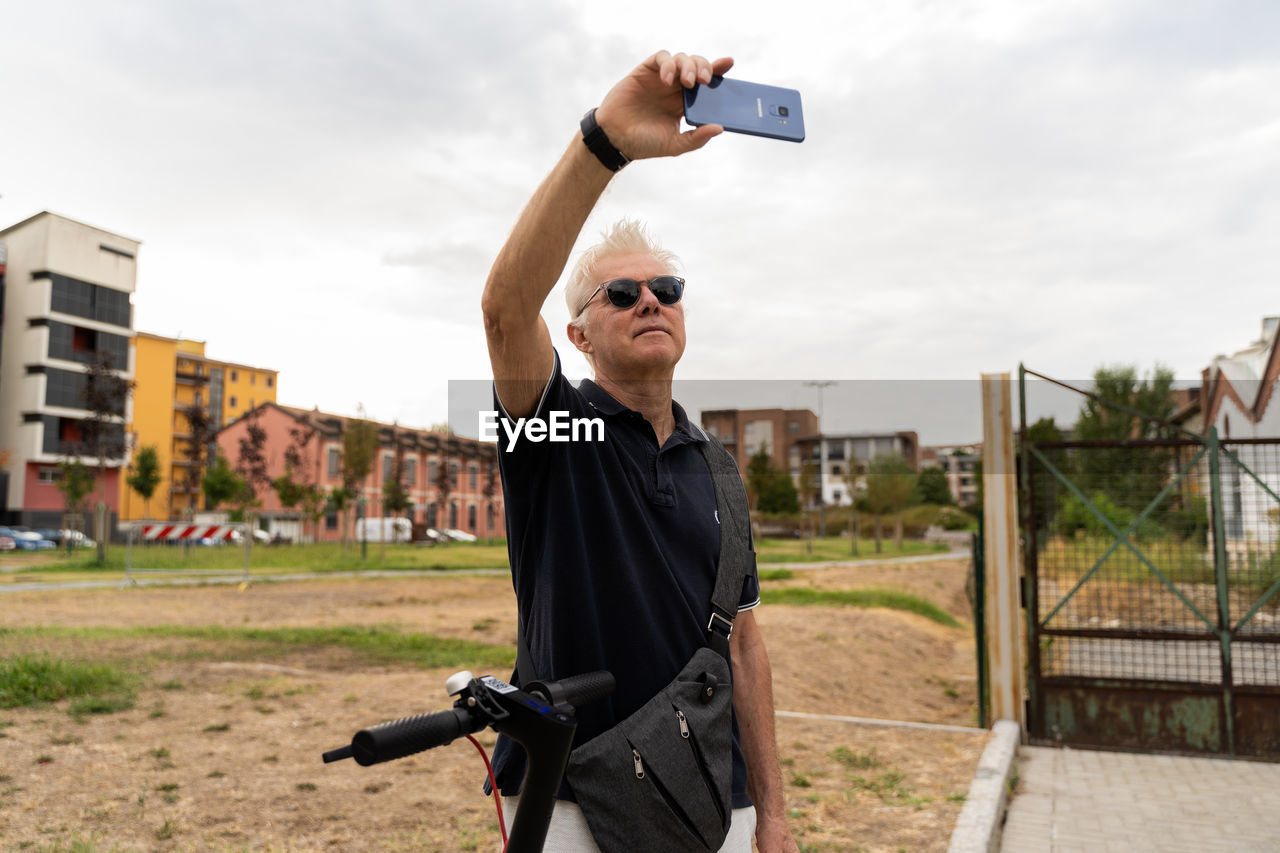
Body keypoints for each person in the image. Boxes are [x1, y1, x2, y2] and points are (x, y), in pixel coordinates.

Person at [481, 50, 799, 853]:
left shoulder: (718, 469)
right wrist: (605, 144)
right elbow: (506, 307)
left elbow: (745, 646)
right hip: (573, 806)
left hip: (711, 804)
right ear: (581, 335)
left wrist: (775, 814)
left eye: (666, 288)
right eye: (622, 293)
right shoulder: (553, 432)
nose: (650, 298)